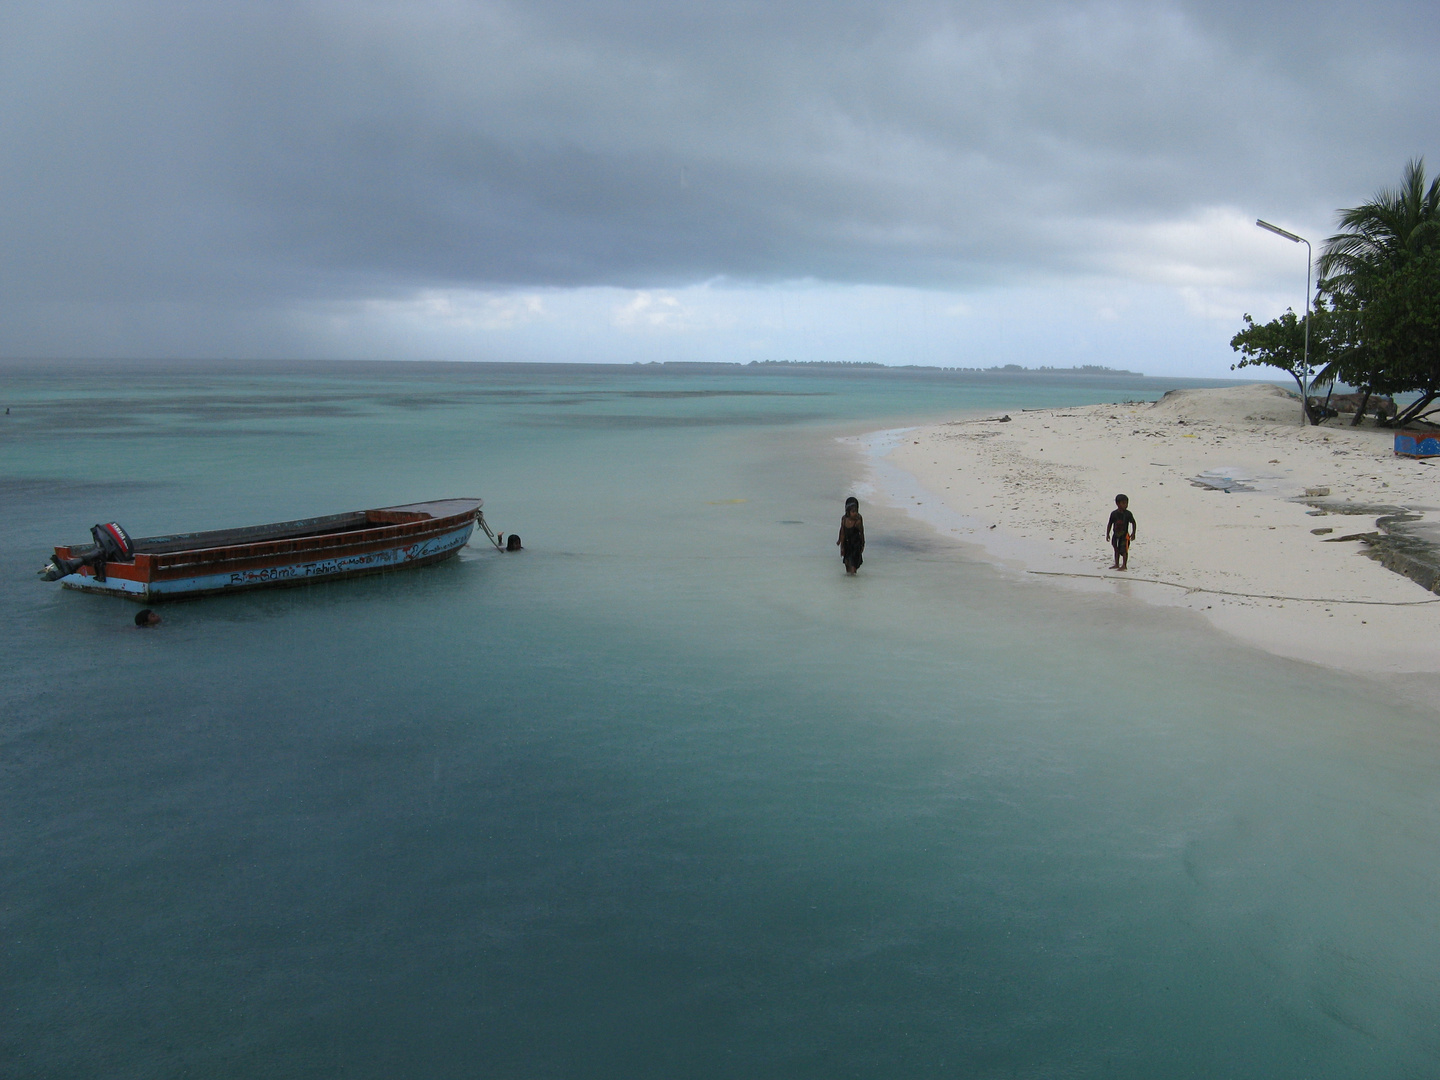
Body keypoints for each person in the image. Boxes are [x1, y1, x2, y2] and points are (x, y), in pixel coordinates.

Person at [1106, 494, 1136, 570]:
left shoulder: (1128, 514)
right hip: (1116, 535)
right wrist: (1107, 534)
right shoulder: (1114, 514)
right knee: (1116, 549)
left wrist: (1133, 533)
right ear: (1117, 503)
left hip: (1125, 536)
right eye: (1123, 503)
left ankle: (1124, 565)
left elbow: (1133, 523)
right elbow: (1110, 524)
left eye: (1126, 503)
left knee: (1124, 550)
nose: (1125, 505)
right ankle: (1116, 564)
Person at [837, 496, 865, 575]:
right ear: (848, 512)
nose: (855, 513)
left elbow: (862, 532)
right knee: (847, 563)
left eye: (856, 511)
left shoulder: (858, 520)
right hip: (847, 544)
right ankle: (848, 584)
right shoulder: (844, 519)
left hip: (855, 545)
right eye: (853, 511)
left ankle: (854, 581)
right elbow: (842, 531)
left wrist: (863, 544)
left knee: (853, 565)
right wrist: (841, 545)